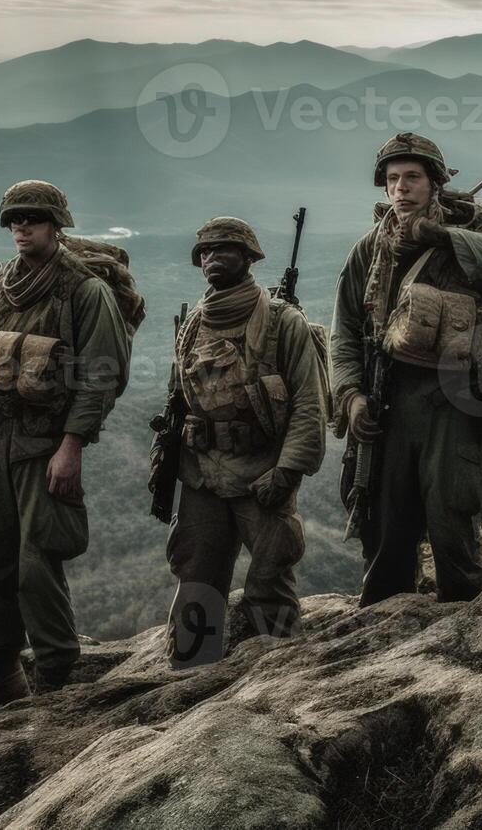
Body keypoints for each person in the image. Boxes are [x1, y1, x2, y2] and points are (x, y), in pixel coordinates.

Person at [0, 180, 132, 711]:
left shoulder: (82, 290)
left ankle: (54, 672)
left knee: (37, 563)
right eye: (14, 220)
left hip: (45, 443)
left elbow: (102, 376)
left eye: (32, 218)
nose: (21, 227)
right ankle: (4, 670)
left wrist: (72, 446)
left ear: (56, 225)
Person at [329, 132, 482, 605]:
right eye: (392, 179)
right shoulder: (369, 250)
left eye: (412, 177)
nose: (401, 188)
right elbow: (345, 332)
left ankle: (469, 630)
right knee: (385, 525)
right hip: (386, 400)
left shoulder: (472, 231)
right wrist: (351, 395)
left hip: (453, 399)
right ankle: (380, 636)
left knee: (452, 518)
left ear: (435, 183)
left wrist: (441, 236)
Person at [164, 217, 326, 646]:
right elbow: (181, 398)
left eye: (225, 249)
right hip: (203, 472)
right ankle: (191, 680)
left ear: (249, 258)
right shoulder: (193, 323)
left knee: (269, 583)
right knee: (197, 580)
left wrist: (288, 470)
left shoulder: (281, 322)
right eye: (206, 252)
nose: (213, 258)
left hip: (262, 472)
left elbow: (310, 403)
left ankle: (280, 679)